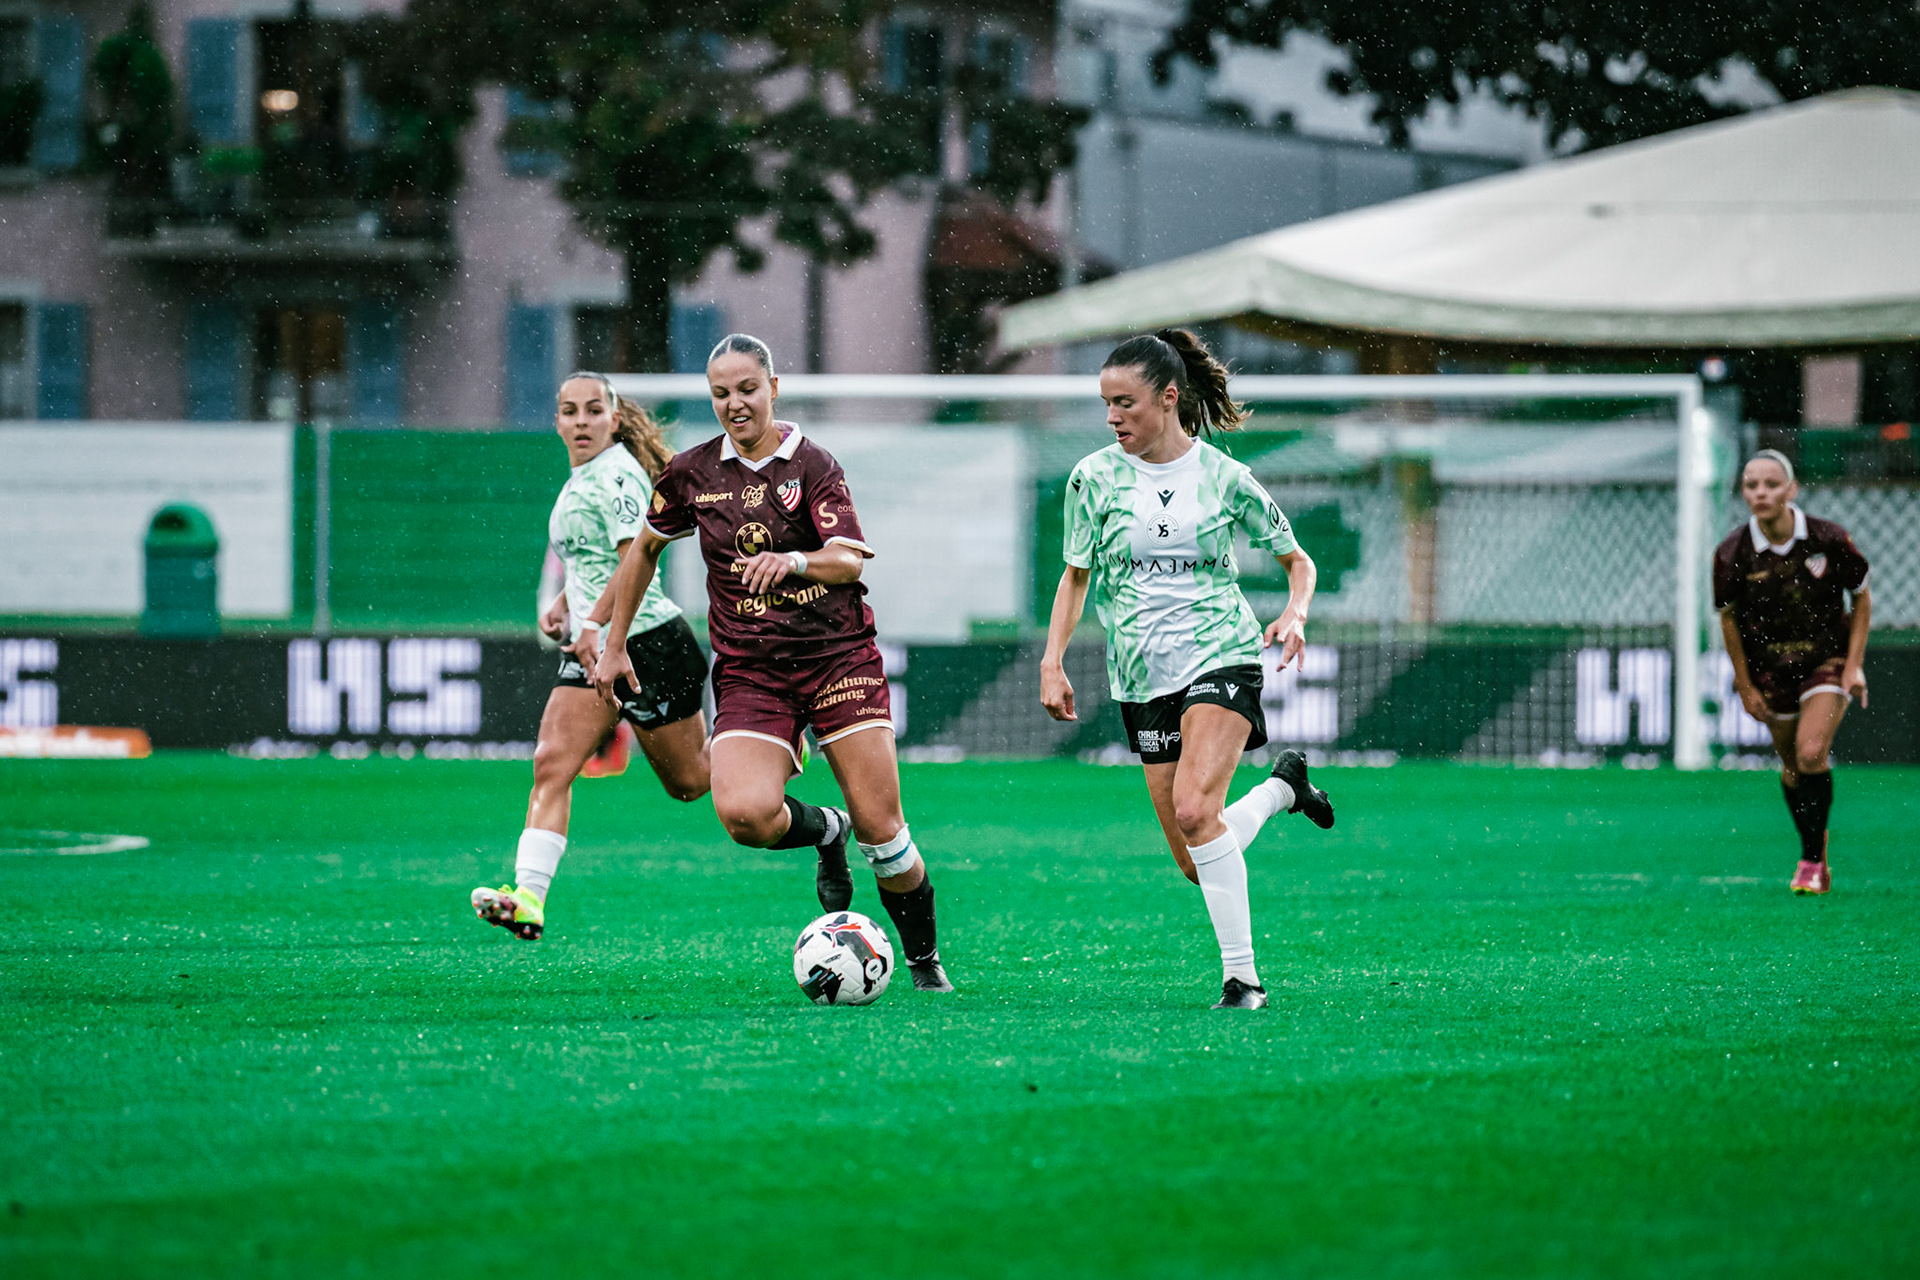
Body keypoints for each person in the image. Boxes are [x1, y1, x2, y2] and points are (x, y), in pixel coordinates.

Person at [593, 334, 952, 992]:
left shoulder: (812, 464)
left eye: (747, 389)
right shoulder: (693, 473)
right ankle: (824, 831)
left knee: (884, 829)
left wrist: (792, 561)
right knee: (744, 815)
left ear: (774, 388)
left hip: (838, 659)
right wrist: (613, 643)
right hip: (753, 670)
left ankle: (924, 961)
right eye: (721, 394)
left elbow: (848, 558)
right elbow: (642, 550)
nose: (735, 403)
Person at [1040, 329, 1334, 1010]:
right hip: (1141, 675)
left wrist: (1295, 613)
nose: (1113, 417)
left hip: (1222, 652)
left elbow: (1299, 561)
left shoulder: (1226, 478)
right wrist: (1053, 660)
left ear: (1169, 398)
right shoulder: (1093, 478)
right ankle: (1282, 790)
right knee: (1194, 858)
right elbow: (1075, 576)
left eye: (1127, 403)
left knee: (1198, 812)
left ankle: (1244, 980)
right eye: (1106, 404)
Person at [471, 373, 713, 940]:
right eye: (568, 411)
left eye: (592, 410)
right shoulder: (580, 478)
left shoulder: (619, 476)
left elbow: (635, 563)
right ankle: (528, 897)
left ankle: (780, 734)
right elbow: (591, 560)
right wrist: (564, 602)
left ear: (613, 418)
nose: (580, 420)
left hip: (648, 643)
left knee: (691, 782)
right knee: (552, 763)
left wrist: (600, 625)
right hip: (593, 645)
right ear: (556, 421)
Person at [1713, 449, 1871, 895]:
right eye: (1751, 485)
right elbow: (1728, 618)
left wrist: (1854, 665)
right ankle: (1811, 846)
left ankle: (1812, 862)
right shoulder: (1731, 553)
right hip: (1770, 669)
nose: (1760, 492)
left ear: (1791, 489)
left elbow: (1861, 598)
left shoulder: (1828, 539)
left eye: (1770, 484)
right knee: (1792, 769)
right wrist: (1744, 685)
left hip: (1827, 660)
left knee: (1810, 753)